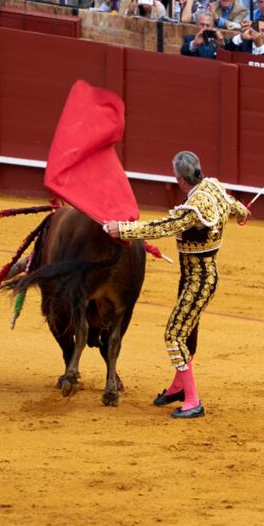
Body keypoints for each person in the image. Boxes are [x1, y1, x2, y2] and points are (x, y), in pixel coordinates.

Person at [104, 151, 250, 419]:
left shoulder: (193, 209)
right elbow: (230, 203)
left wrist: (121, 230)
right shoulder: (212, 187)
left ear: (180, 179)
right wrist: (242, 212)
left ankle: (193, 401)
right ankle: (178, 387)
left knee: (174, 334)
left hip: (199, 280)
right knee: (187, 331)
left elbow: (163, 227)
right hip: (195, 275)